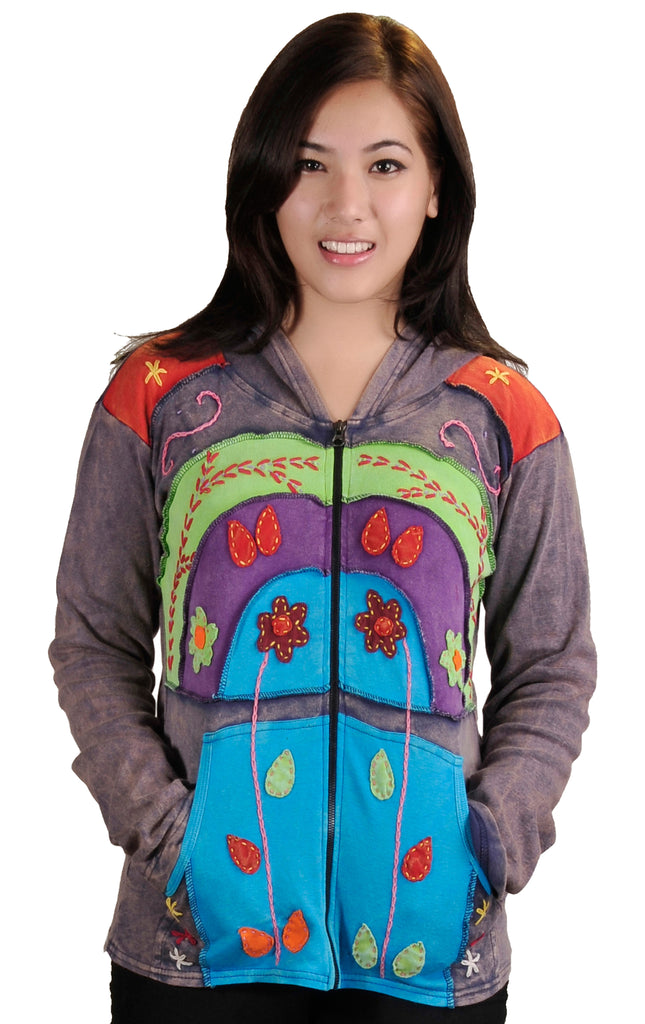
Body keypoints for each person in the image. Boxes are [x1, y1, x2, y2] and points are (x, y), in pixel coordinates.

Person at [50, 12, 595, 1023]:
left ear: (437, 187)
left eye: (385, 165)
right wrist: (171, 838)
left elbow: (553, 663)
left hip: (427, 957)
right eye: (310, 164)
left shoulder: (503, 417)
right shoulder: (159, 396)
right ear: (265, 179)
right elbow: (94, 640)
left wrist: (490, 844)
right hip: (198, 954)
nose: (347, 205)